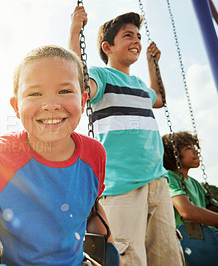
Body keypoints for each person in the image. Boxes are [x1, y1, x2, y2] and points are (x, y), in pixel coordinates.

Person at [0, 45, 118, 265]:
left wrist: (112, 253)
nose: (51, 105)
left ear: (83, 101)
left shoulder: (94, 155)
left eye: (65, 91)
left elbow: (92, 209)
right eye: (35, 94)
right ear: (16, 107)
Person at [69, 6, 184, 266]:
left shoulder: (142, 86)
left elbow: (159, 98)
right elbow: (75, 78)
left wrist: (152, 63)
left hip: (158, 181)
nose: (136, 41)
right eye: (128, 36)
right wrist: (75, 29)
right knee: (128, 258)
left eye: (138, 37)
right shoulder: (102, 76)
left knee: (168, 257)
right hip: (121, 184)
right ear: (107, 47)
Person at [162, 131, 218, 243]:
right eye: (188, 148)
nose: (196, 151)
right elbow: (188, 212)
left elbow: (212, 206)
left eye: (194, 147)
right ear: (173, 153)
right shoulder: (169, 177)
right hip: (191, 240)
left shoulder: (194, 183)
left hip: (210, 235)